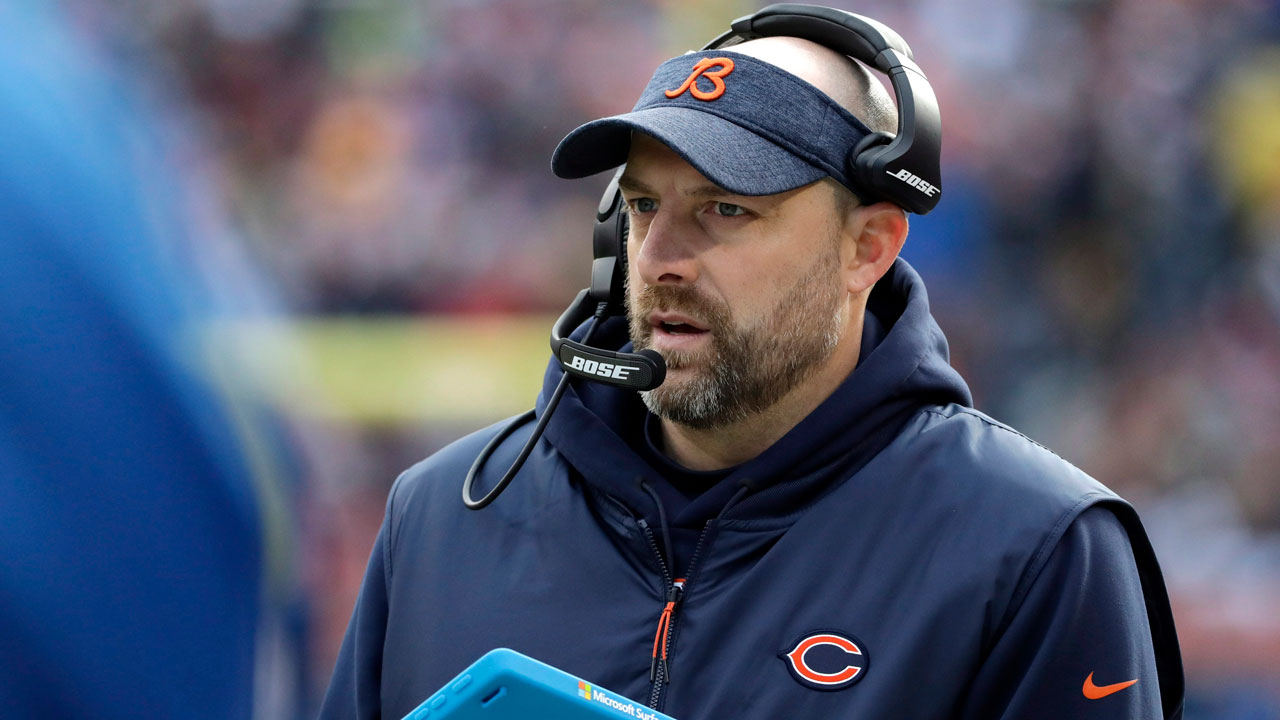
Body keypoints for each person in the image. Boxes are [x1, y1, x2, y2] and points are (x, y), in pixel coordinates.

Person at [320, 9, 1183, 720]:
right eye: (644, 205)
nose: (659, 257)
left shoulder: (1035, 552)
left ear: (868, 247)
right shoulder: (441, 518)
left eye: (726, 209)